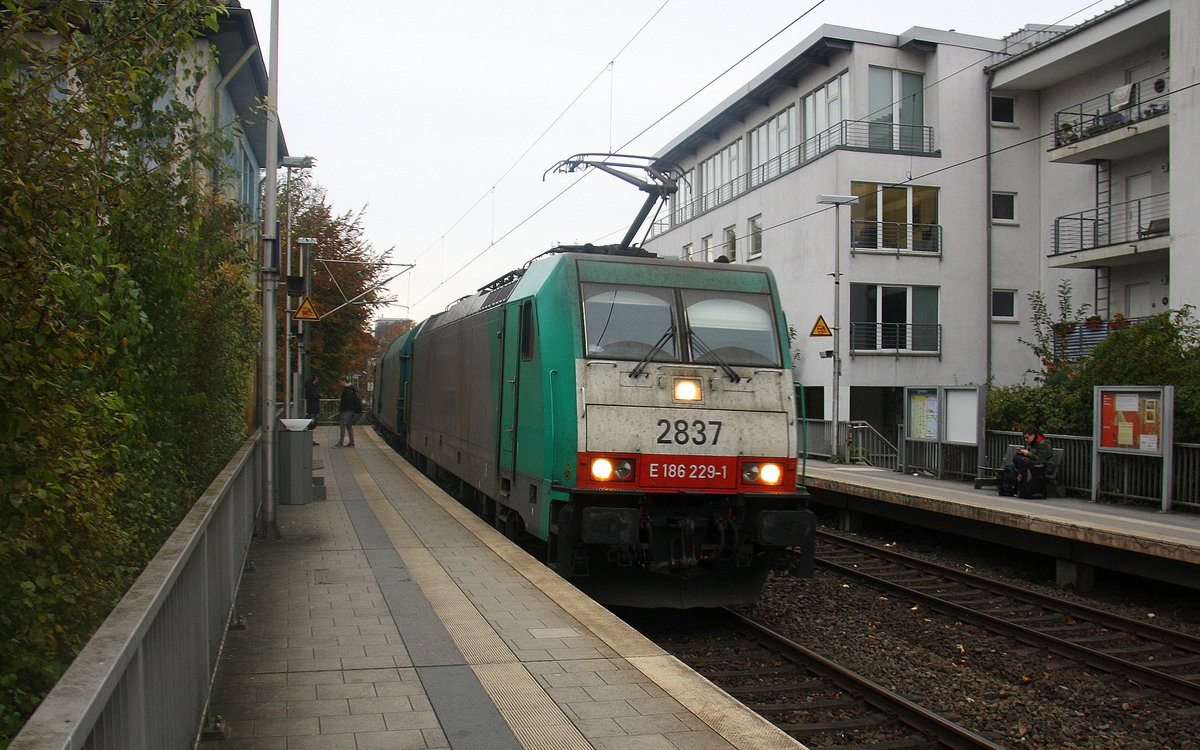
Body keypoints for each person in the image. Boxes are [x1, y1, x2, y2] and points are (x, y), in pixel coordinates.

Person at [1003, 427, 1055, 499]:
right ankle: (1011, 486)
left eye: (1027, 438)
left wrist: (1028, 454)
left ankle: (1013, 487)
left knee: (1018, 464)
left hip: (1043, 467)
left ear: (1033, 435)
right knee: (1016, 462)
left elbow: (1042, 459)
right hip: (1035, 465)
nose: (1026, 440)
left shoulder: (1043, 443)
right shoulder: (1034, 442)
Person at [334, 376, 362, 448]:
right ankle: (351, 443)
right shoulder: (351, 389)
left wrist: (342, 409)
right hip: (351, 410)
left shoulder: (348, 390)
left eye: (340, 382)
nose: (340, 384)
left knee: (342, 425)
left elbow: (347, 402)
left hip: (347, 410)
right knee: (349, 426)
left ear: (344, 381)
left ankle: (340, 443)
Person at [303, 376, 321, 445]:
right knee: (311, 423)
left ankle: (309, 439)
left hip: (311, 408)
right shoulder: (311, 388)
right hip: (313, 408)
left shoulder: (309, 387)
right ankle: (308, 439)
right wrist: (319, 396)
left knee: (311, 423)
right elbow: (314, 396)